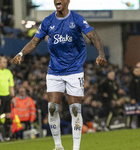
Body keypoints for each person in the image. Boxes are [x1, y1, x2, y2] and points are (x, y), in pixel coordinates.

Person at [13, 0, 106, 149]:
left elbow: (93, 36)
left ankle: (76, 148)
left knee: (75, 109)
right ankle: (58, 146)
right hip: (54, 71)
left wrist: (100, 54)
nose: (57, 1)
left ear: (67, 1)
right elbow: (34, 41)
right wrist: (21, 53)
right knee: (52, 108)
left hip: (74, 71)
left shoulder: (77, 19)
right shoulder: (48, 21)